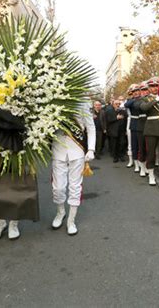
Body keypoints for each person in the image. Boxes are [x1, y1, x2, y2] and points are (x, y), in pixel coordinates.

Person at [51, 98, 96, 235]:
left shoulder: (83, 103)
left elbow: (90, 127)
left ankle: (71, 220)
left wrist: (91, 149)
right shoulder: (53, 99)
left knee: (75, 186)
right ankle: (60, 212)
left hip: (77, 150)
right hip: (58, 150)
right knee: (58, 188)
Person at [124, 84, 141, 172]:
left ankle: (141, 162)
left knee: (140, 144)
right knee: (131, 143)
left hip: (141, 122)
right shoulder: (130, 100)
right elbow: (126, 105)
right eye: (134, 91)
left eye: (137, 90)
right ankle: (132, 161)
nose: (136, 93)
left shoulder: (142, 99)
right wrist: (135, 98)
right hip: (131, 121)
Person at [106, 98, 128, 163]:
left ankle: (121, 156)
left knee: (122, 144)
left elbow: (126, 120)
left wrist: (126, 129)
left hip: (122, 131)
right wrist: (116, 118)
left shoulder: (123, 111)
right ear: (113, 105)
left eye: (119, 104)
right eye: (116, 104)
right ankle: (115, 157)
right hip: (113, 131)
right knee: (114, 144)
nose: (118, 105)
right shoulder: (109, 111)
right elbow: (108, 120)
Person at [135, 82, 149, 176]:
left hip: (150, 125)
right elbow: (139, 107)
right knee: (141, 148)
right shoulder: (138, 100)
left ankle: (147, 166)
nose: (144, 91)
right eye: (142, 90)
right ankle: (142, 168)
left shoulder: (151, 98)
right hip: (140, 126)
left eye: (146, 89)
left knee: (149, 148)